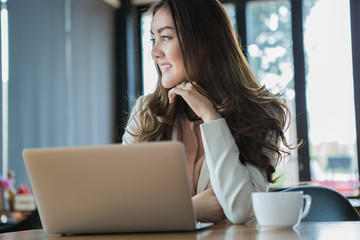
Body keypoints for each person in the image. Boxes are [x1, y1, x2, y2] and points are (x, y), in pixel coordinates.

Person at [122, 0, 292, 224]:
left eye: (166, 37)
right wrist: (188, 208)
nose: (155, 52)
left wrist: (212, 118)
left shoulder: (262, 113)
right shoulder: (146, 112)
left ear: (203, 41)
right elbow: (125, 205)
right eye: (154, 39)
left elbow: (240, 209)